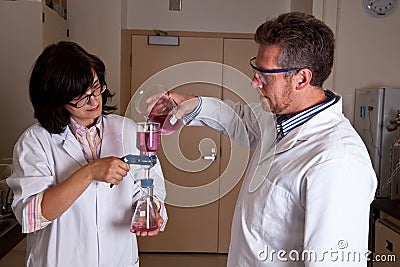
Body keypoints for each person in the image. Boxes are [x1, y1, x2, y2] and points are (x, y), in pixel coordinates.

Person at [153, 12, 377, 266]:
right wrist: (192, 105)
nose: (254, 82)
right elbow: (241, 120)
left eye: (266, 75)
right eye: (255, 70)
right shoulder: (280, 118)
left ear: (302, 79)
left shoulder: (338, 161)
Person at [6, 41, 167, 267]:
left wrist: (151, 208)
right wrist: (90, 172)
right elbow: (31, 216)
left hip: (118, 259)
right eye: (80, 96)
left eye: (95, 87)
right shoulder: (35, 142)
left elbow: (151, 183)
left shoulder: (127, 130)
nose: (93, 100)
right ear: (56, 98)